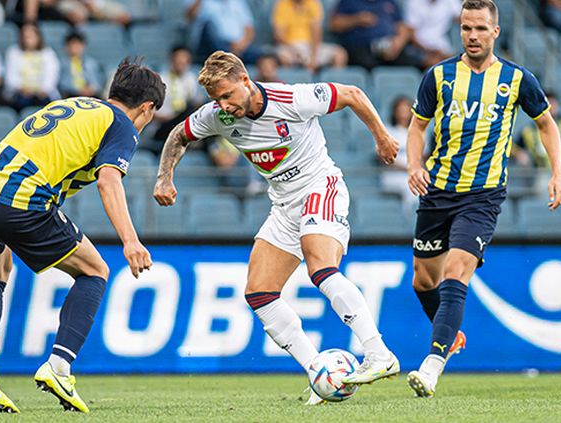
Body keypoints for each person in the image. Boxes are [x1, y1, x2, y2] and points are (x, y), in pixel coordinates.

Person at [153, 51, 401, 405]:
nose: (223, 105)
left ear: (245, 80)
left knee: (320, 267)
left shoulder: (292, 99)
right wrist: (164, 177)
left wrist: (382, 137)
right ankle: (319, 373)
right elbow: (179, 134)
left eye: (227, 95)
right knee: (260, 292)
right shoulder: (217, 116)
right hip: (284, 206)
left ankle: (378, 353)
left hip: (320, 187)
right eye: (216, 99)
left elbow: (352, 94)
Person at [0, 59, 165, 414]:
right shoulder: (121, 125)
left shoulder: (74, 104)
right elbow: (108, 180)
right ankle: (59, 367)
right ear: (146, 108)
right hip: (20, 201)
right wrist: (131, 240)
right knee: (95, 271)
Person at [404, 0, 561, 398]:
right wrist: (414, 165)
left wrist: (558, 173)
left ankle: (432, 364)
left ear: (495, 31)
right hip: (438, 191)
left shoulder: (517, 79)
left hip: (483, 196)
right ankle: (450, 335)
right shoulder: (439, 76)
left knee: (456, 271)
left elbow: (546, 125)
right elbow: (416, 127)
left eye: (480, 28)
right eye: (466, 27)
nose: (472, 35)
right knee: (423, 280)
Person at [513, 92, 561, 202]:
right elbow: (513, 146)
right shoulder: (529, 129)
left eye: (553, 103)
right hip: (545, 168)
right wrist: (519, 154)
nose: (550, 106)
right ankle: (547, 208)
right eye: (548, 102)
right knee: (541, 189)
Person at [330, 0, 428, 70]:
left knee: (411, 62)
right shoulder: (349, 0)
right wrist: (356, 19)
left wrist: (398, 43)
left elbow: (402, 27)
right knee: (366, 63)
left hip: (389, 46)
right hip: (361, 48)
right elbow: (334, 25)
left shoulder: (389, 1)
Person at [272, 0, 347, 71]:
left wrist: (313, 57)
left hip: (310, 46)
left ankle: (332, 78)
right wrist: (296, 51)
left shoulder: (313, 3)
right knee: (283, 57)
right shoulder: (282, 4)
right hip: (289, 46)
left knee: (340, 54)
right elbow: (279, 35)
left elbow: (316, 32)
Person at [185, 0, 262, 64]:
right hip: (210, 46)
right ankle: (227, 55)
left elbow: (249, 29)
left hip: (237, 45)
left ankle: (231, 56)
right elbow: (190, 17)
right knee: (209, 26)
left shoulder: (238, 1)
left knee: (261, 56)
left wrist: (240, 45)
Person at [150, 45, 204, 150]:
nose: (182, 63)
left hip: (182, 122)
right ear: (172, 59)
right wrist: (163, 118)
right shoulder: (160, 79)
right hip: (163, 125)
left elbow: (196, 102)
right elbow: (150, 109)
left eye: (185, 60)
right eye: (179, 59)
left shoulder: (190, 79)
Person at [4, 23, 60, 110]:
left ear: (38, 37)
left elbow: (52, 74)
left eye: (31, 36)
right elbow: (10, 76)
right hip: (20, 92)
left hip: (43, 92)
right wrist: (21, 88)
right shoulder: (13, 52)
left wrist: (43, 89)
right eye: (25, 37)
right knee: (21, 102)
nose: (28, 40)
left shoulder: (48, 53)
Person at [404, 0, 461, 64]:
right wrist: (428, 50)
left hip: (442, 47)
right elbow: (411, 34)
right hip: (419, 49)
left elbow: (461, 19)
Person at [379, 96, 417, 210]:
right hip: (393, 175)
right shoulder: (387, 131)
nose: (403, 113)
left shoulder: (417, 132)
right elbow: (383, 157)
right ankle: (409, 216)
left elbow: (423, 156)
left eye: (406, 110)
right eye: (400, 110)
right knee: (409, 187)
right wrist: (406, 168)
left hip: (413, 174)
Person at [57, 0, 131, 26]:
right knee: (77, 16)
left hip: (99, 0)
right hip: (75, 1)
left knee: (124, 16)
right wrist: (83, 1)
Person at [58, 31, 101, 98]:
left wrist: (91, 89)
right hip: (70, 95)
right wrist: (78, 90)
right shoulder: (61, 63)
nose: (75, 48)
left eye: (78, 45)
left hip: (89, 95)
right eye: (73, 45)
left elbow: (97, 82)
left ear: (83, 46)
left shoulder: (91, 62)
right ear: (66, 47)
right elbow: (61, 84)